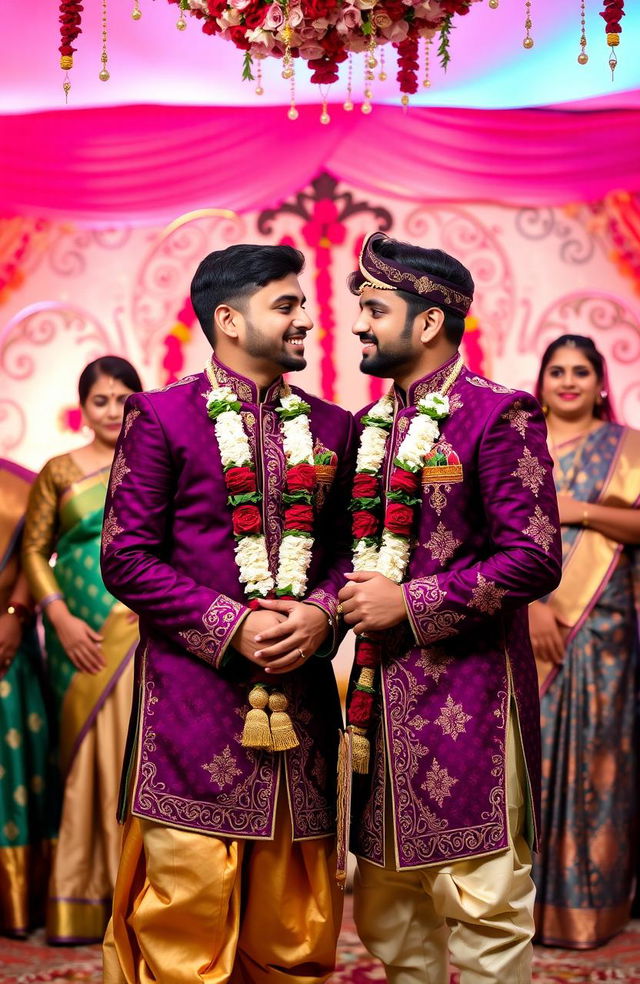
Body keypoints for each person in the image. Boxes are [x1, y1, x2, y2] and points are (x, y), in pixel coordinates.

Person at [101, 243, 354, 984]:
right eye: (287, 304)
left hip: (300, 709)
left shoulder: (335, 428)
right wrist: (229, 623)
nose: (308, 318)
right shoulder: (162, 416)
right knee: (185, 914)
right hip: (192, 708)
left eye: (302, 303)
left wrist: (321, 613)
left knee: (294, 925)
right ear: (229, 319)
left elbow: (347, 555)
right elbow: (126, 557)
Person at [337, 232, 562, 984]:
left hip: (471, 703)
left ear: (426, 322)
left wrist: (414, 600)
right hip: (378, 709)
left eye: (372, 308)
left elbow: (533, 556)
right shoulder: (369, 427)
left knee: (485, 911)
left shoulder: (499, 416)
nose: (359, 323)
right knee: (388, 916)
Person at [21, 356, 143, 944]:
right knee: (83, 762)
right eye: (101, 400)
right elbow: (33, 551)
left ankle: (140, 902)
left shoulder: (156, 464)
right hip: (80, 639)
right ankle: (78, 899)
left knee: (134, 758)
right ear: (83, 406)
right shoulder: (59, 470)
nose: (113, 411)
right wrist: (59, 616)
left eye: (124, 398)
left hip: (142, 633)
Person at [528, 333, 640, 948]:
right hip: (528, 630)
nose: (568, 381)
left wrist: (582, 511)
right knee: (529, 769)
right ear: (540, 383)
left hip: (605, 631)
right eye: (556, 371)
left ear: (601, 382)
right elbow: (487, 539)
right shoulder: (514, 446)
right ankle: (520, 912)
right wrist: (530, 610)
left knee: (600, 765)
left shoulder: (630, 451)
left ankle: (591, 909)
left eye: (581, 371)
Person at [0, 458, 53, 937]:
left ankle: (16, 899)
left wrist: (15, 612)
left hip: (4, 641)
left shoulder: (17, 483)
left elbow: (32, 553)